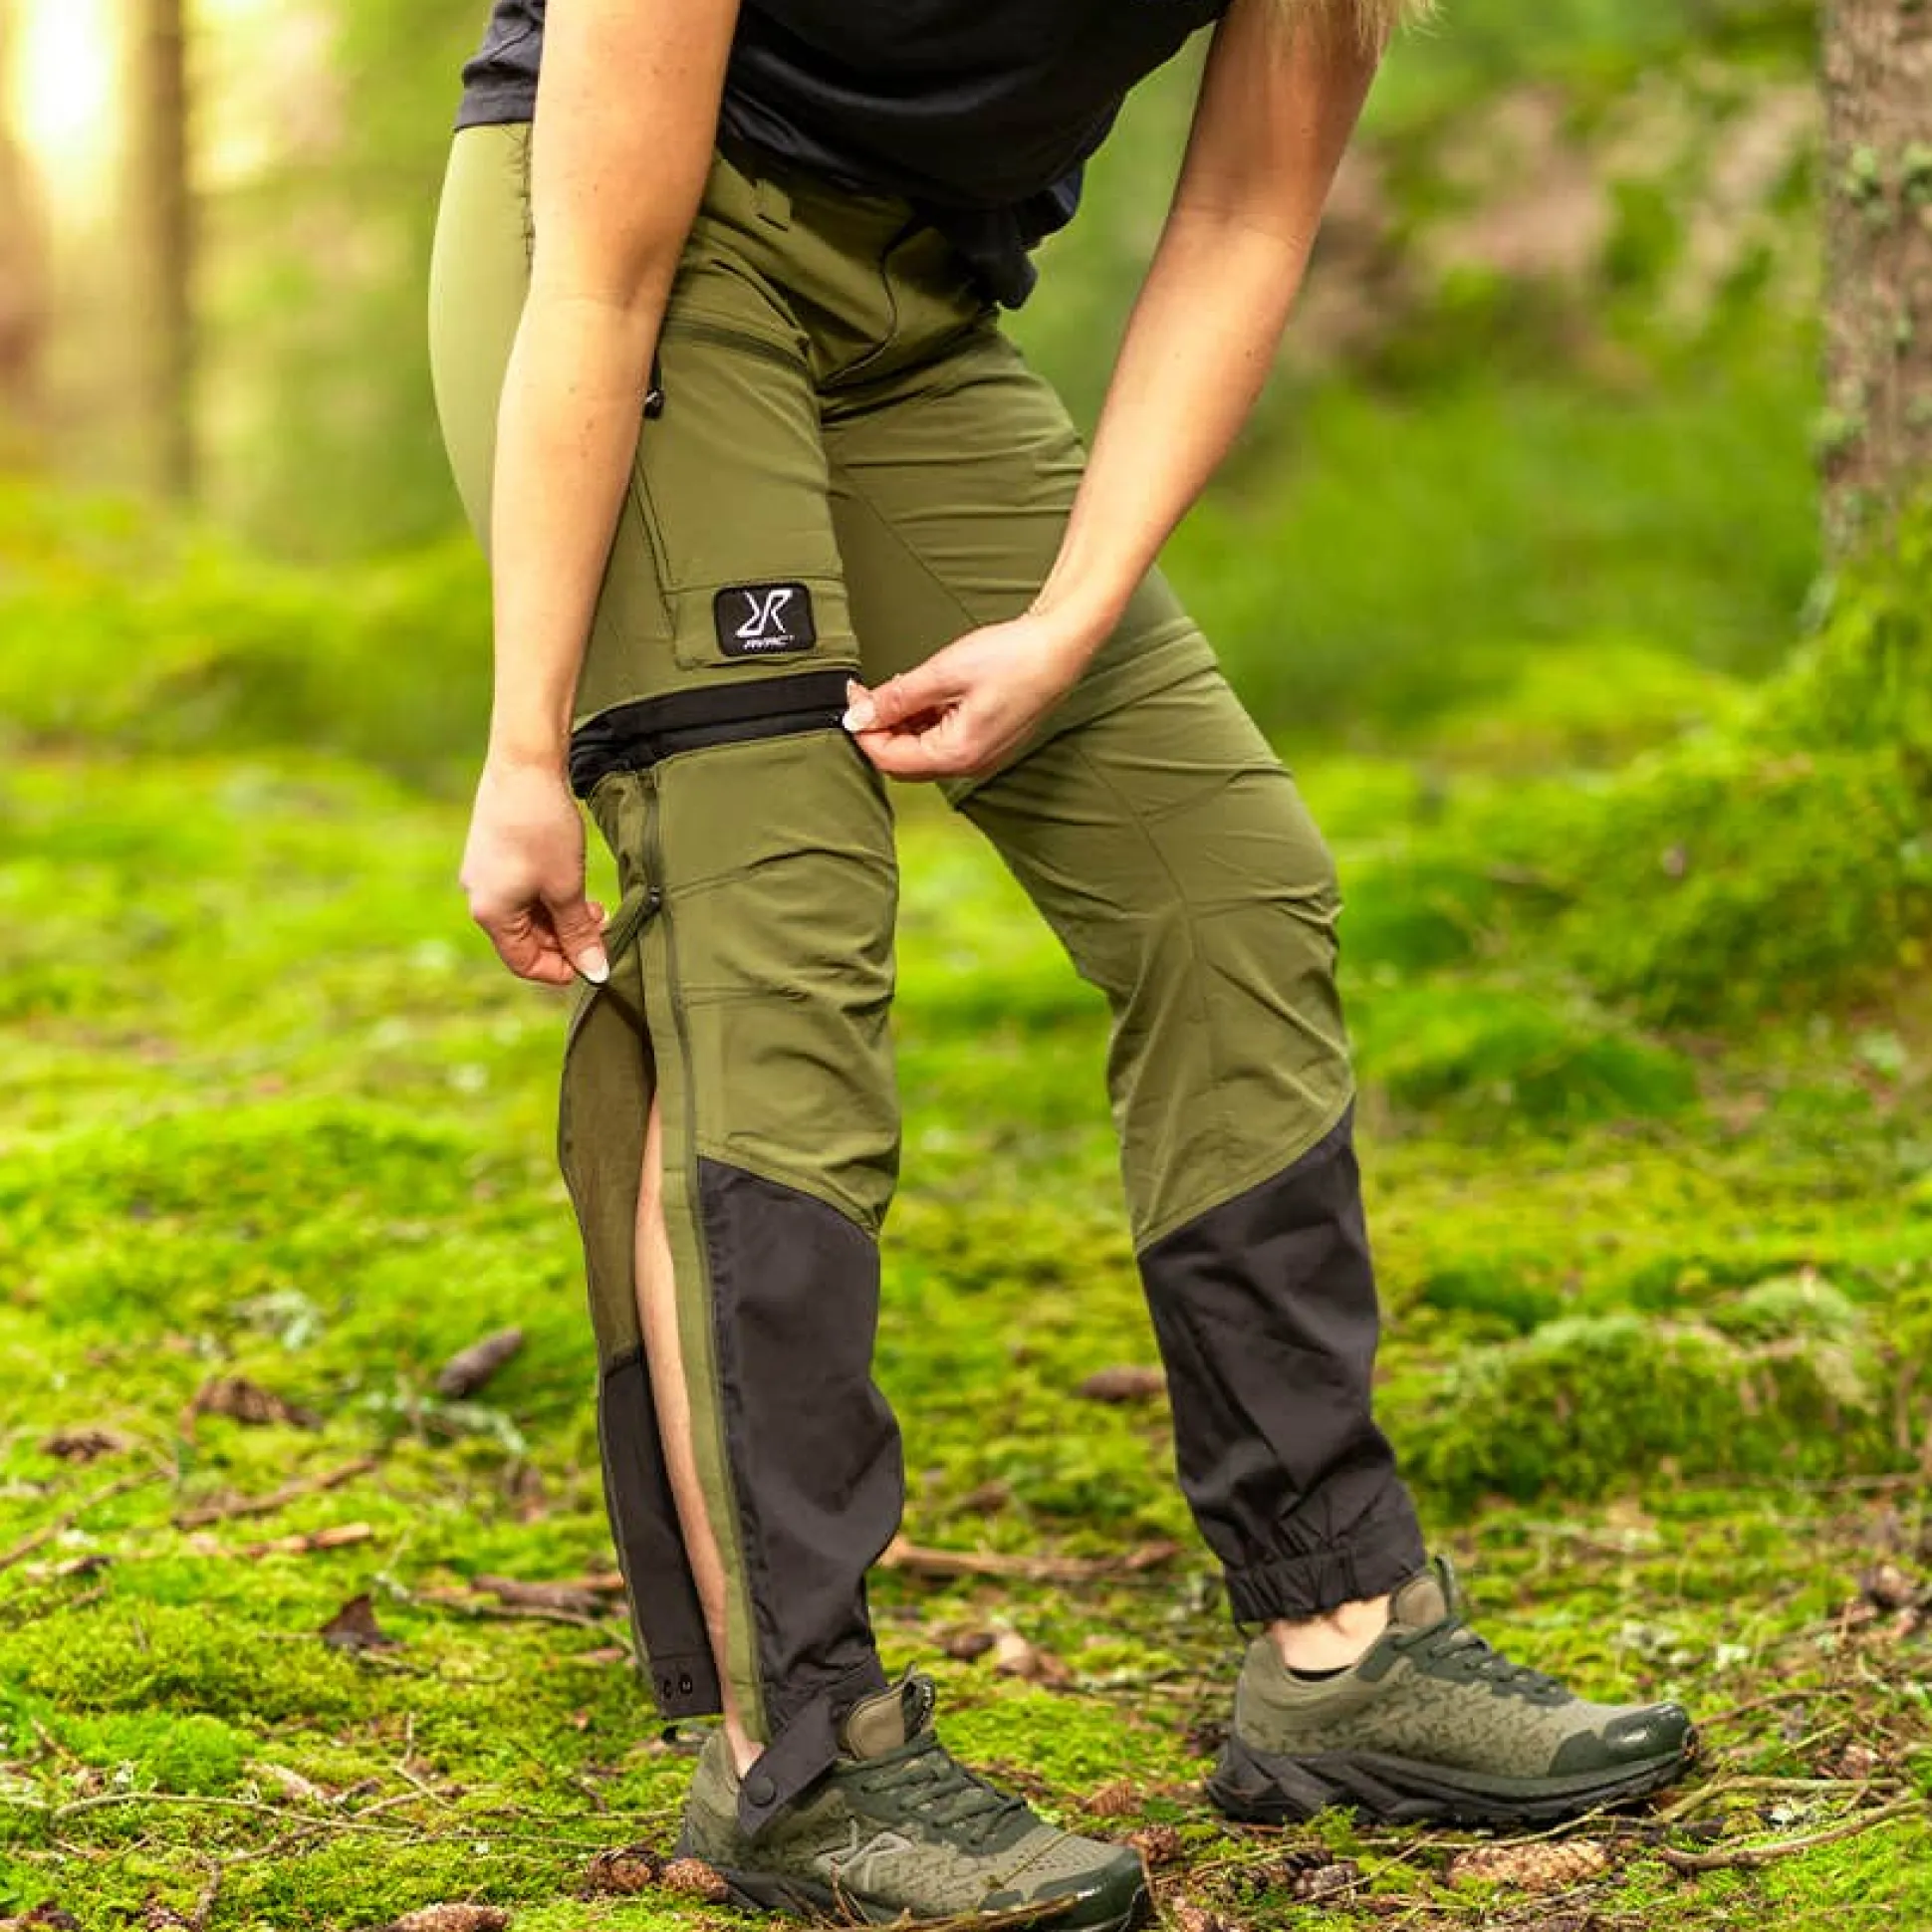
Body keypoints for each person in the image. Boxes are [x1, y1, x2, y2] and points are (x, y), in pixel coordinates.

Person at [426, 2, 1695, 1925]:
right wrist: (526, 742)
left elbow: (1248, 220)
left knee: (1225, 882)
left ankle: (1343, 1636)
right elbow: (602, 270)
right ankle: (798, 1755)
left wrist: (1073, 613)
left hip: (918, 317)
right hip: (633, 264)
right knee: (773, 940)